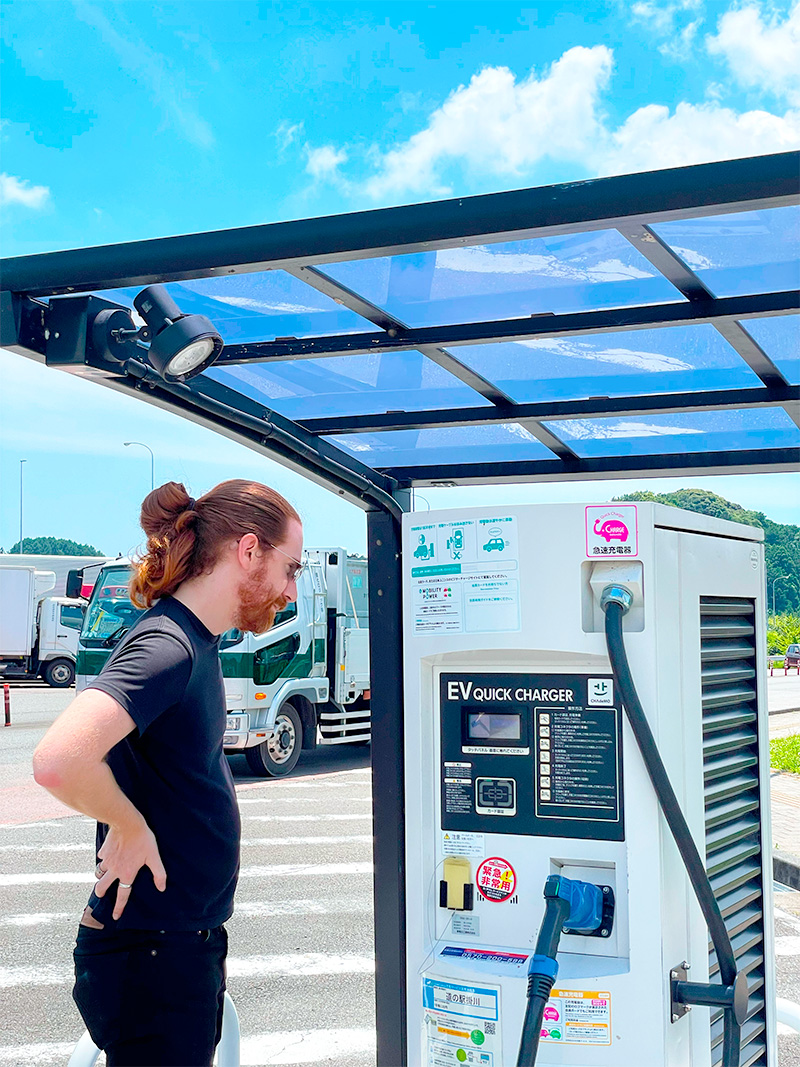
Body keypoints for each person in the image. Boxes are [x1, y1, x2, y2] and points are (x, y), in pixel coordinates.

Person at [33, 479, 303, 1067]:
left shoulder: (193, 641)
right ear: (249, 550)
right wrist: (127, 825)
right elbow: (57, 761)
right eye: (289, 568)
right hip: (153, 956)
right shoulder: (169, 646)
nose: (290, 590)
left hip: (171, 947)